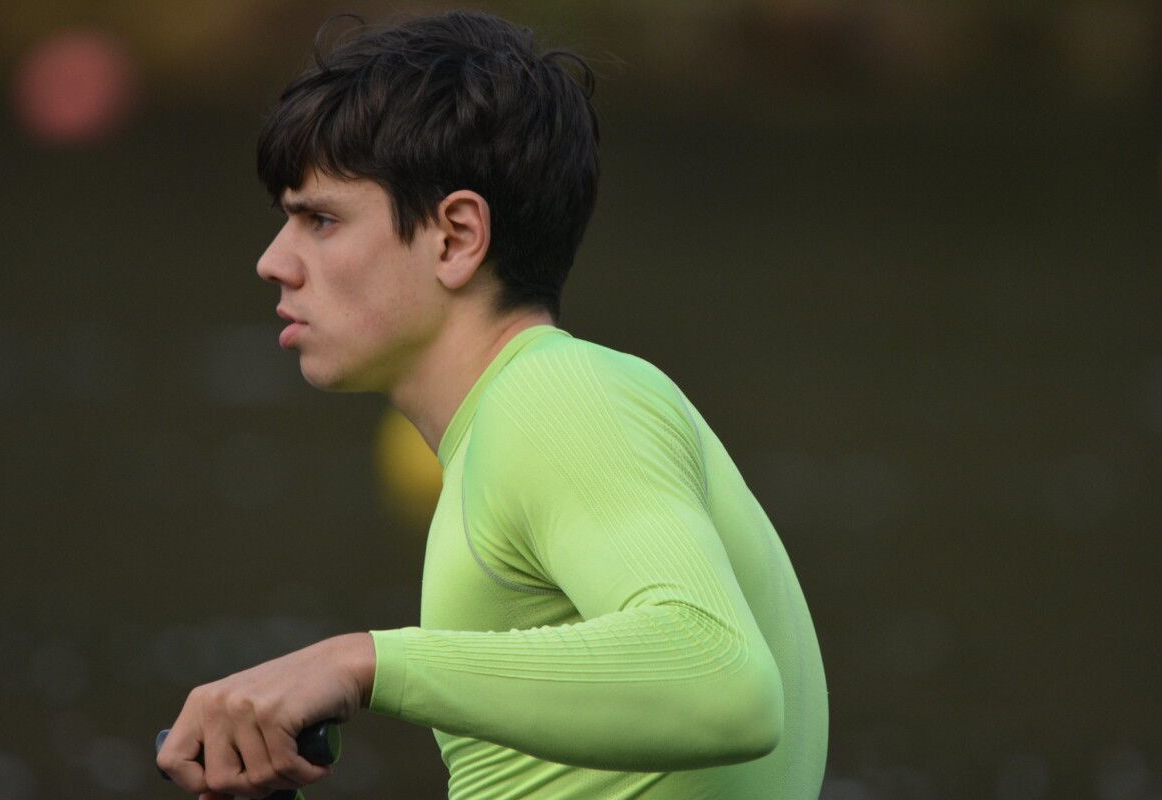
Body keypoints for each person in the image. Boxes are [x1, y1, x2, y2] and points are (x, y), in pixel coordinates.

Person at [156, 10, 828, 800]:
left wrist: (361, 662)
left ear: (456, 237)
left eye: (320, 219)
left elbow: (726, 683)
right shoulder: (510, 430)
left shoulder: (560, 397)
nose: (273, 262)